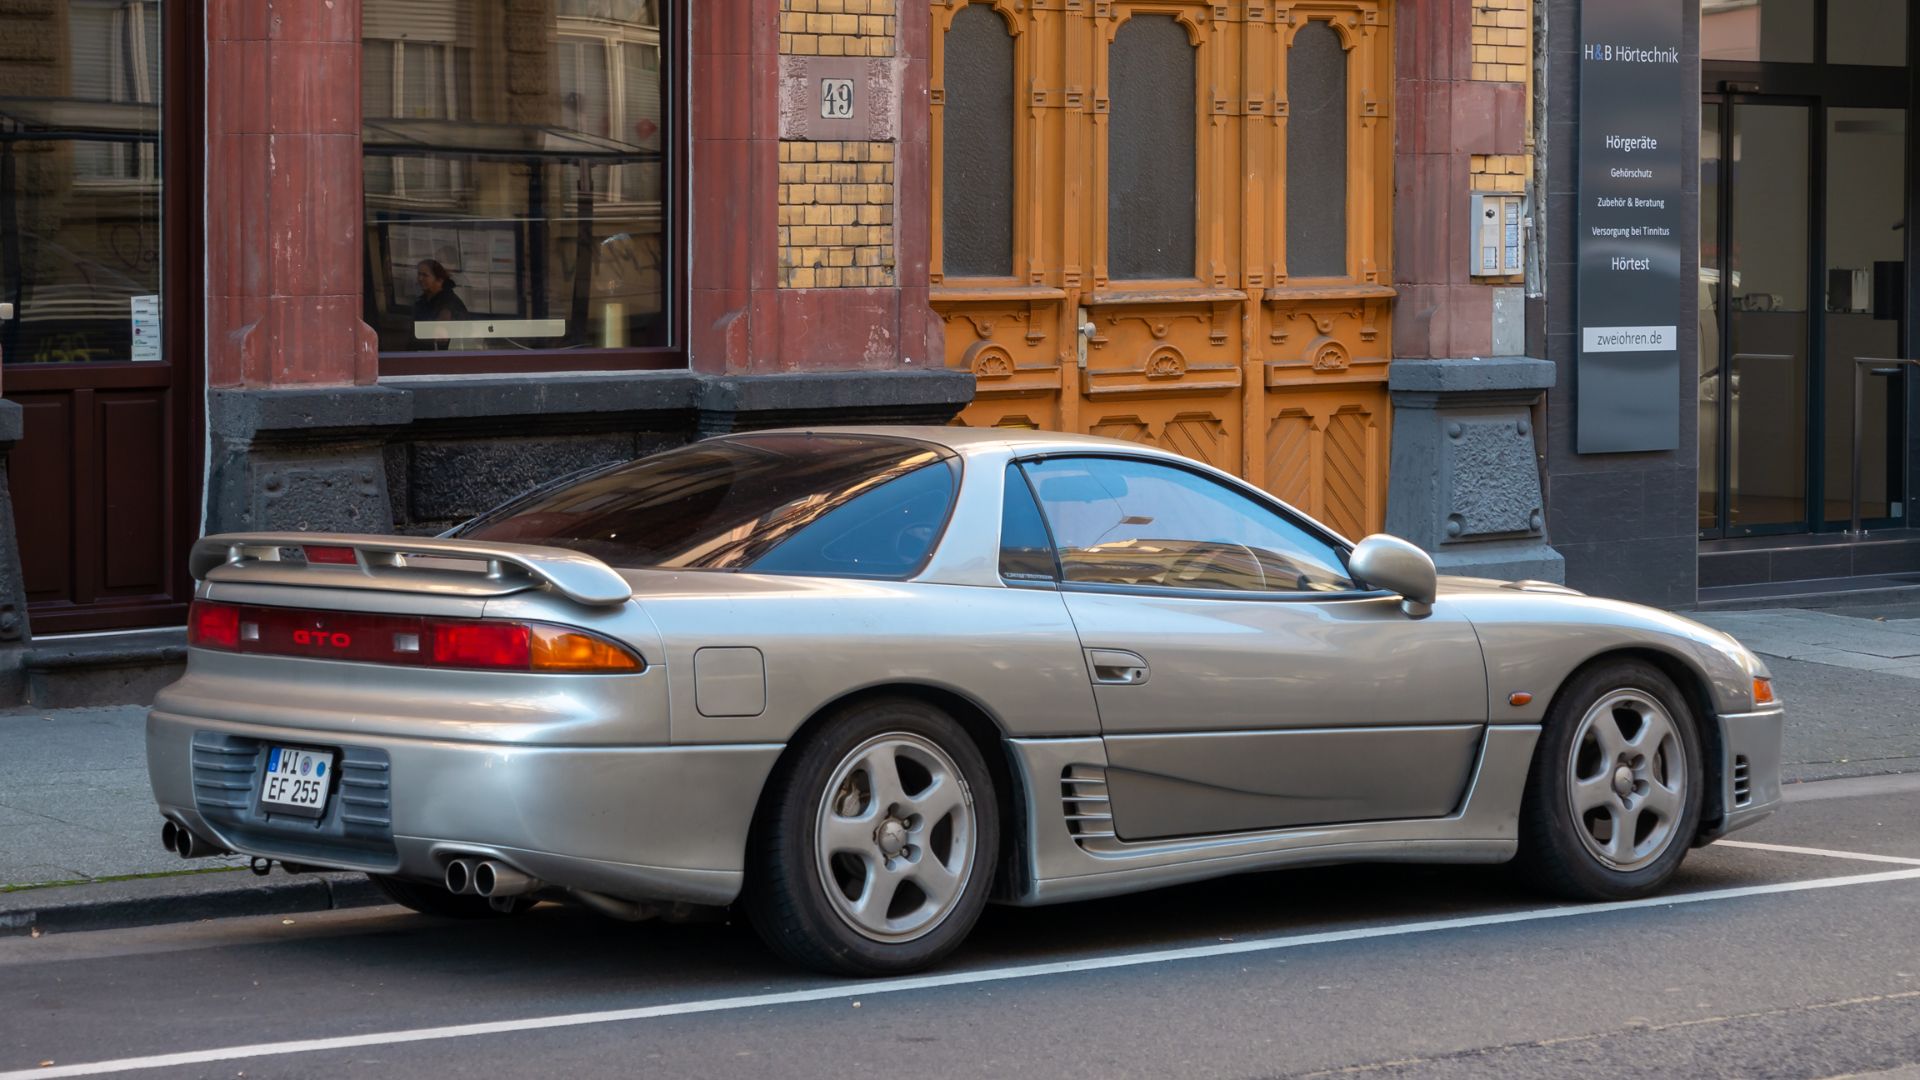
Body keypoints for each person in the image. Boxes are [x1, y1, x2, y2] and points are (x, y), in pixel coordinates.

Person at [411, 259, 469, 349]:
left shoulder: (448, 302)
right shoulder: (423, 300)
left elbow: (441, 337)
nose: (420, 279)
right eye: (419, 274)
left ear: (439, 280)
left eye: (425, 275)